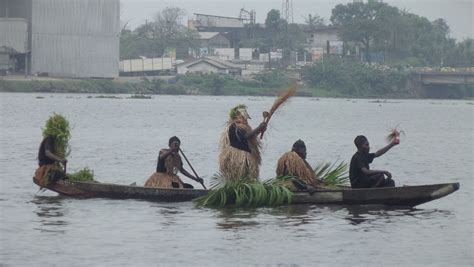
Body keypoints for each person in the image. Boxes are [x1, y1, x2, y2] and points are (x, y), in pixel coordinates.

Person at [219, 104, 267, 181]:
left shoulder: (244, 127)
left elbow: (250, 137)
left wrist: (260, 130)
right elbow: (246, 136)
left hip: (246, 156)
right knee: (238, 178)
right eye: (243, 116)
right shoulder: (234, 126)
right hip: (238, 157)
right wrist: (259, 127)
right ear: (237, 116)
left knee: (247, 179)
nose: (245, 118)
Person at [34, 113, 70, 187]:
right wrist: (61, 160)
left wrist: (61, 160)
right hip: (45, 165)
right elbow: (48, 153)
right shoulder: (49, 138)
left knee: (64, 176)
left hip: (50, 165)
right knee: (59, 174)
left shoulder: (56, 141)